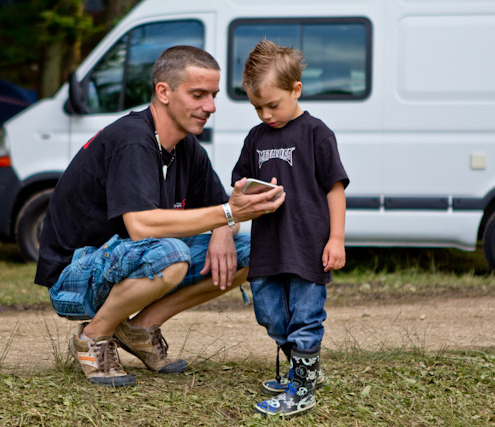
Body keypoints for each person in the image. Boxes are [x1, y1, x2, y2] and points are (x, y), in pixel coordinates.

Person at [34, 45, 285, 387]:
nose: (209, 107)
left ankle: (139, 328)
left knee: (252, 251)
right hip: (73, 278)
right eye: (198, 95)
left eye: (212, 95)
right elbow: (141, 226)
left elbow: (225, 210)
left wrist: (224, 228)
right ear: (163, 92)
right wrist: (226, 213)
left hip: (127, 263)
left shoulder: (186, 147)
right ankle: (93, 336)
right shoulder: (133, 140)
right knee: (170, 253)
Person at [231, 40, 349, 417]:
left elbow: (335, 189)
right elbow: (239, 183)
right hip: (268, 246)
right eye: (257, 107)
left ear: (296, 89)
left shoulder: (316, 133)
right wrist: (242, 193)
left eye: (273, 105)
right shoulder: (256, 137)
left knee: (305, 317)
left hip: (308, 246)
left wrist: (336, 239)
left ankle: (302, 388)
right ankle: (305, 372)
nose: (265, 114)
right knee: (269, 313)